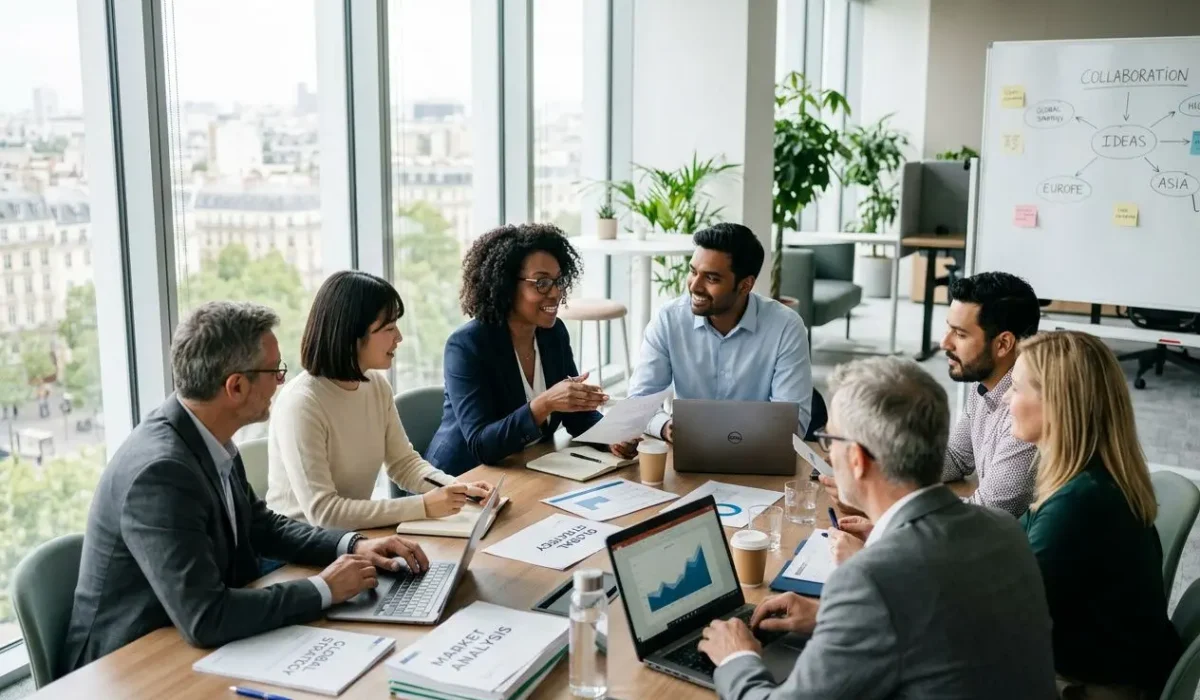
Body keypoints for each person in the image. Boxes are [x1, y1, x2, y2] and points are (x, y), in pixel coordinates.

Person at [62, 302, 429, 673]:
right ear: (235, 386)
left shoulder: (209, 435)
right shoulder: (161, 473)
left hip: (193, 639)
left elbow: (261, 525)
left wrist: (353, 544)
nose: (281, 381)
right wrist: (323, 588)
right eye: (275, 371)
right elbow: (205, 617)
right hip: (130, 665)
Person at [698, 356, 1056, 700]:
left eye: (829, 439)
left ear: (856, 460)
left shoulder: (870, 580)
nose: (826, 452)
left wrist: (736, 658)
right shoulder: (1002, 528)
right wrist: (833, 621)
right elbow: (940, 629)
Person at [1009, 331, 1180, 698]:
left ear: (1056, 404)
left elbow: (1007, 615)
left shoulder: (1080, 504)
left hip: (1095, 688)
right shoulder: (1090, 477)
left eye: (1017, 388)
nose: (1007, 399)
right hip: (1104, 669)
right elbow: (1009, 551)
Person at [267, 271, 491, 529]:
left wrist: (458, 488)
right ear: (351, 336)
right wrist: (423, 506)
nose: (399, 337)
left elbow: (403, 464)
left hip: (350, 539)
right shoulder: (301, 404)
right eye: (388, 328)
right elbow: (324, 513)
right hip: (297, 551)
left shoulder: (375, 385)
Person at [820, 271, 1041, 518]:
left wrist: (876, 501)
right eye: (949, 329)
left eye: (960, 334)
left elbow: (983, 513)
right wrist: (877, 468)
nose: (945, 343)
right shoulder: (983, 387)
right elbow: (956, 457)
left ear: (1003, 344)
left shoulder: (1027, 413)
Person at [426, 223, 637, 475]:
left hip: (527, 467)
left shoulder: (553, 333)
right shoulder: (467, 346)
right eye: (542, 283)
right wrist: (545, 403)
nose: (556, 293)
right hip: (460, 479)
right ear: (506, 284)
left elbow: (576, 416)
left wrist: (611, 436)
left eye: (558, 281)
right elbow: (482, 445)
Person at [625, 223, 812, 441]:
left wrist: (733, 436)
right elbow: (638, 402)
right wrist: (666, 426)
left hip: (757, 455)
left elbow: (793, 423)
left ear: (745, 285)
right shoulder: (668, 320)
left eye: (711, 278)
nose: (695, 286)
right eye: (693, 272)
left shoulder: (786, 327)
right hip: (688, 451)